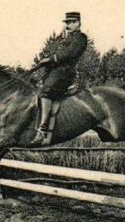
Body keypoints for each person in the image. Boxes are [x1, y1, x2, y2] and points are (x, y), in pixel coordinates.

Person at [30, 11, 88, 146]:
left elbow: (68, 54)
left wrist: (50, 59)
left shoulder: (80, 38)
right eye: (66, 23)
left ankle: (42, 130)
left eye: (70, 23)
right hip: (57, 72)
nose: (67, 25)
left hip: (65, 73)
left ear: (77, 23)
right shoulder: (67, 38)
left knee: (46, 91)